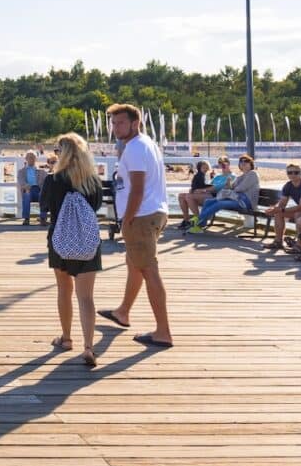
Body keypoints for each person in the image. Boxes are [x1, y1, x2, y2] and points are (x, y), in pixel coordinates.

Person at [97, 103, 173, 349]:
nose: (115, 127)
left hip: (141, 216)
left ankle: (163, 331)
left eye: (120, 122)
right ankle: (123, 312)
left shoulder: (136, 148)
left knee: (149, 270)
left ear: (135, 123)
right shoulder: (145, 144)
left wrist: (127, 219)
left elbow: (137, 189)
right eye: (113, 122)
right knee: (135, 264)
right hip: (153, 212)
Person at [40, 133, 103, 367]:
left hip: (61, 242)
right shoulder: (93, 181)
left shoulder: (53, 180)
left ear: (62, 154)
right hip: (87, 242)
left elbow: (45, 206)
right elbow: (96, 207)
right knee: (86, 297)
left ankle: (66, 339)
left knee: (64, 290)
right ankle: (89, 346)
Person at [187, 155, 260, 233]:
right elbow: (231, 188)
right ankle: (200, 225)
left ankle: (197, 221)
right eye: (241, 162)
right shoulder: (241, 176)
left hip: (246, 202)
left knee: (220, 203)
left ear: (251, 164)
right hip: (237, 199)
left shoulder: (252, 174)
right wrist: (229, 184)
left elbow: (240, 188)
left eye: (246, 162)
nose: (243, 164)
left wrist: (232, 188)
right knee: (208, 201)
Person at [263, 163, 301, 252]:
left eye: (296, 172)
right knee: (278, 214)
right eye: (290, 172)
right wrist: (274, 209)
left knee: (298, 214)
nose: (292, 175)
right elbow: (282, 203)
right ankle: (278, 241)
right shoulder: (288, 185)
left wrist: (281, 209)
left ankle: (300, 245)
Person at [176, 160, 211, 229]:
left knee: (188, 196)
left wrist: (198, 190)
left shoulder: (207, 175)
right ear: (199, 168)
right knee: (181, 196)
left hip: (206, 194)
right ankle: (186, 219)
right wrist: (194, 190)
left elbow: (208, 187)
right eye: (204, 168)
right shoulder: (199, 175)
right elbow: (197, 185)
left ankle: (198, 220)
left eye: (207, 168)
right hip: (199, 192)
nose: (206, 169)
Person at [16, 151, 48, 226]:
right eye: (29, 157)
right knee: (27, 196)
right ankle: (26, 219)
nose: (31, 159)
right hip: (28, 189)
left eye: (33, 157)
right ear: (26, 159)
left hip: (38, 189)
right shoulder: (21, 171)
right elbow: (21, 182)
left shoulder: (41, 171)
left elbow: (45, 183)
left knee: (43, 195)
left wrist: (42, 190)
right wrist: (26, 188)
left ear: (35, 159)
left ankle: (43, 218)